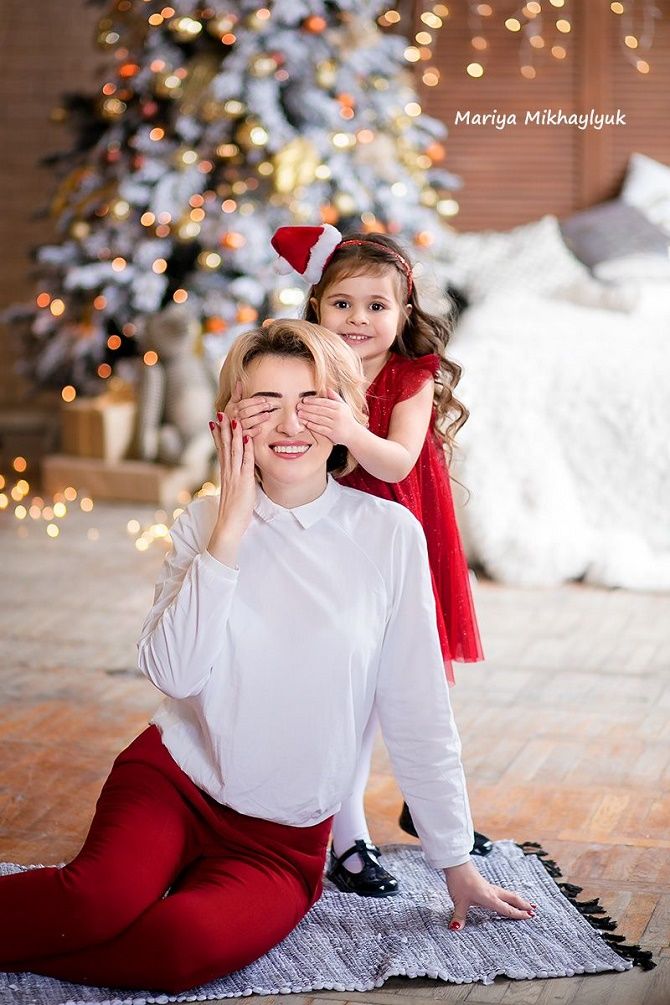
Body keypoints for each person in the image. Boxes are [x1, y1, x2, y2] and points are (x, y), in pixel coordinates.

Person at [0, 320, 533, 994]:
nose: (289, 424)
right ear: (231, 421)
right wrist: (229, 529)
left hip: (279, 842)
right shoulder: (202, 521)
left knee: (177, 947)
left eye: (311, 400)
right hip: (174, 781)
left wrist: (455, 860)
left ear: (346, 411)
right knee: (94, 903)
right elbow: (173, 674)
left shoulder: (387, 534)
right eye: (264, 403)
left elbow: (417, 707)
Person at [253, 226, 488, 897]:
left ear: (404, 313)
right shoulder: (311, 369)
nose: (359, 319)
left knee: (410, 676)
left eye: (376, 306)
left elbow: (397, 459)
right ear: (316, 306)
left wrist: (350, 429)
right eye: (342, 304)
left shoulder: (412, 375)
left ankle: (431, 804)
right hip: (334, 536)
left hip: (405, 529)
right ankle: (346, 835)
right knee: (348, 686)